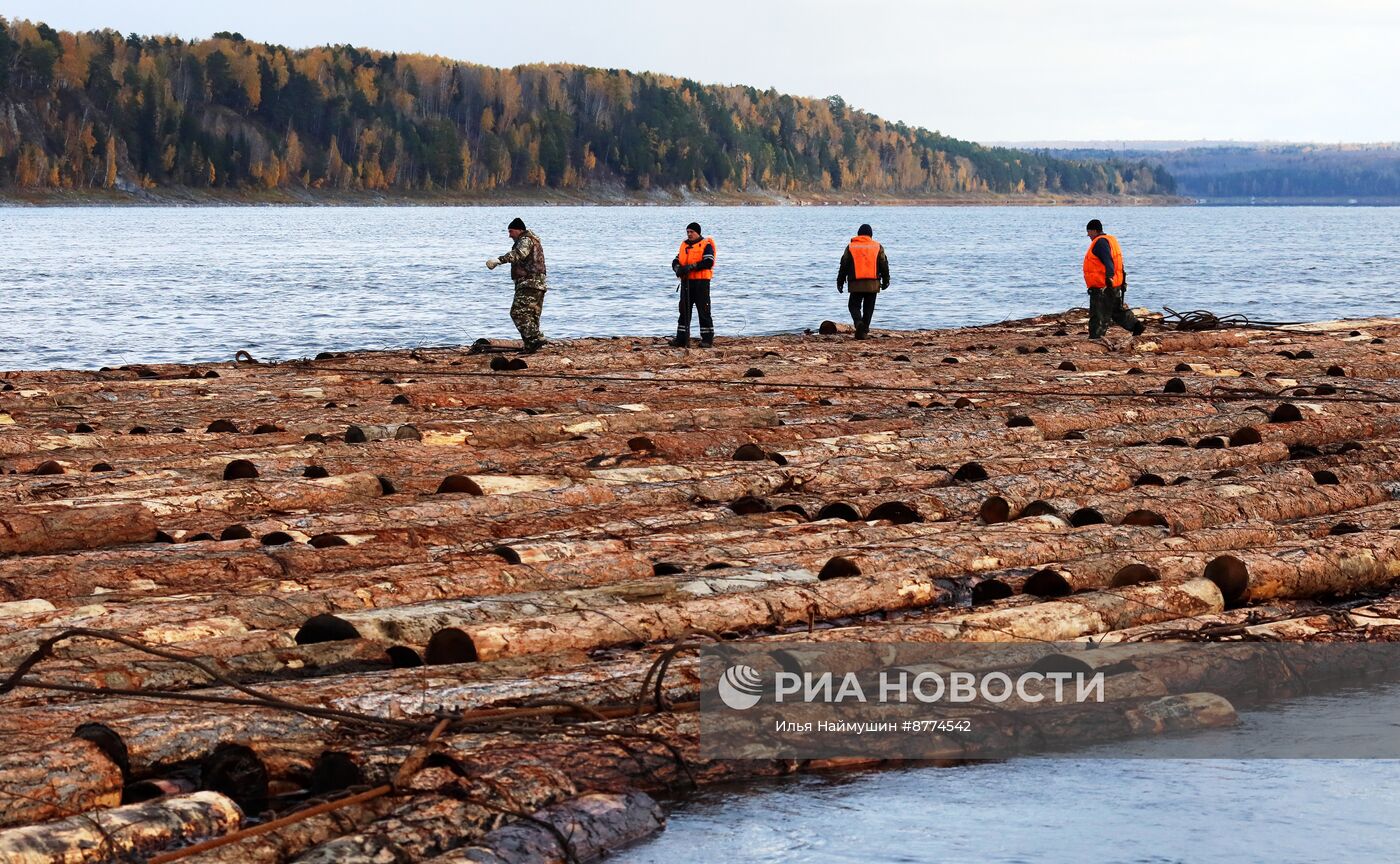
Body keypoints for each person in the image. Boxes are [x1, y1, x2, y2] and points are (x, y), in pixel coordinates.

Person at [486, 217, 548, 352]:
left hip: (529, 282)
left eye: (511, 231)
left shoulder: (525, 240)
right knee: (531, 315)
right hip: (538, 283)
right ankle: (531, 345)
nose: (509, 235)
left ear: (519, 230)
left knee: (517, 313)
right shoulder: (533, 240)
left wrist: (499, 260)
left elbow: (519, 254)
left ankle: (536, 338)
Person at [1082, 219, 1144, 341]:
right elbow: (1117, 263)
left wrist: (1109, 277)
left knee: (1098, 314)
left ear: (1094, 230)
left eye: (1089, 232)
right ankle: (1137, 326)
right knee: (1116, 311)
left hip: (1103, 286)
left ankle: (1096, 339)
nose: (1088, 235)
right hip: (1114, 284)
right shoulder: (1110, 240)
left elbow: (1108, 261)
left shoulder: (1100, 243)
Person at [836, 223, 890, 339]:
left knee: (853, 306)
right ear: (871, 235)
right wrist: (886, 280)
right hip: (873, 283)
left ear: (858, 234)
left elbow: (844, 264)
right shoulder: (877, 246)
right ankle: (864, 330)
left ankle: (858, 323)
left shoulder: (851, 247)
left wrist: (840, 281)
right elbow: (884, 264)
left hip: (856, 283)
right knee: (868, 308)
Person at [669, 222, 716, 348]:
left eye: (692, 232)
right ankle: (681, 339)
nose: (689, 234)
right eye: (688, 232)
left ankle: (707, 339)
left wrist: (692, 267)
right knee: (684, 311)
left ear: (698, 232)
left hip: (701, 283)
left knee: (704, 311)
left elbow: (708, 262)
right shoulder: (684, 245)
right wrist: (677, 268)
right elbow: (675, 260)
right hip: (686, 283)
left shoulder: (706, 245)